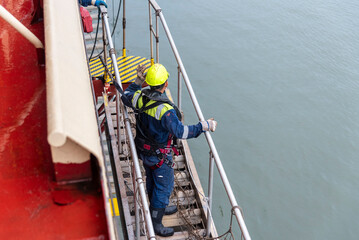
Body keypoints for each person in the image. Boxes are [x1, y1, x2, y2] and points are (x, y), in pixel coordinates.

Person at [123, 63, 217, 237]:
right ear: (165, 83)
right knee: (164, 188)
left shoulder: (140, 98)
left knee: (152, 179)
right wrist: (204, 126)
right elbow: (182, 132)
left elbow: (126, 95)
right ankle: (156, 223)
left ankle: (158, 208)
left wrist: (137, 81)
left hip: (144, 152)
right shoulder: (166, 111)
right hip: (159, 156)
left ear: (148, 83)